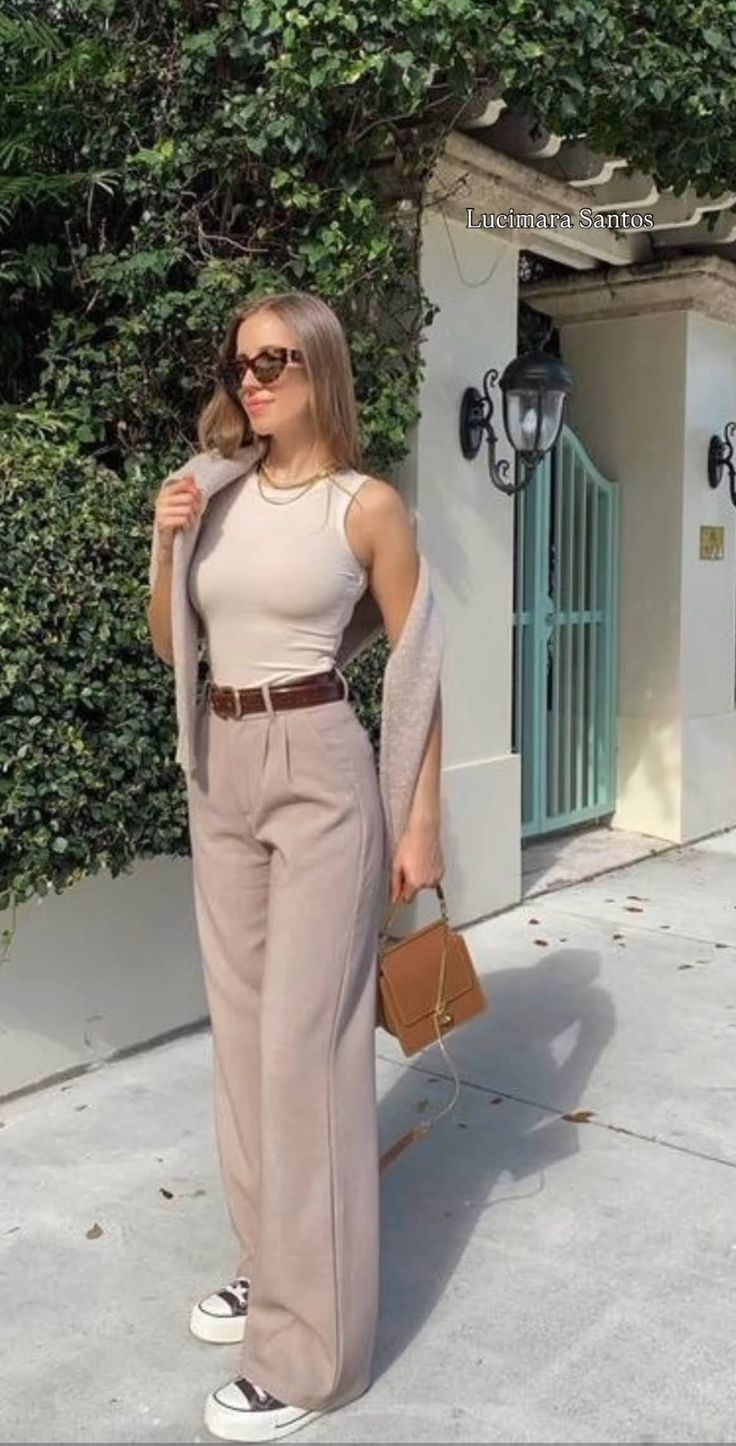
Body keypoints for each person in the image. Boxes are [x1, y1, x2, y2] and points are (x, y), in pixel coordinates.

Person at [148, 290, 444, 1442]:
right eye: (241, 363)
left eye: (275, 360)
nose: (253, 379)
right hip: (220, 763)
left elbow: (417, 661)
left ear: (321, 366)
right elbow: (176, 643)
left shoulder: (365, 508)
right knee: (242, 1044)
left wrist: (419, 820)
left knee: (305, 1054)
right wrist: (166, 537)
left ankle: (311, 1359)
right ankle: (270, 1264)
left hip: (319, 763)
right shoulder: (211, 491)